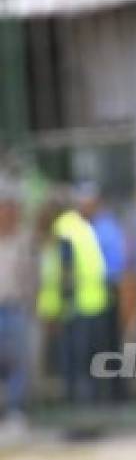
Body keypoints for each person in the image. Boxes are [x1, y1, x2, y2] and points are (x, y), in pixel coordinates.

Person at [36, 195, 107, 404]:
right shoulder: (79, 226)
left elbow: (67, 272)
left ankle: (78, 414)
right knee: (85, 362)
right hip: (90, 303)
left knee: (74, 364)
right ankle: (89, 409)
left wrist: (60, 310)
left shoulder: (63, 230)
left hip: (73, 307)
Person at [75, 181, 127, 401]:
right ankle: (100, 398)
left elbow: (115, 262)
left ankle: (115, 397)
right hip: (90, 298)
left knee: (108, 349)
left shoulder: (106, 227)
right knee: (94, 351)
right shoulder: (88, 227)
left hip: (107, 293)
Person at [0, 179, 34, 423]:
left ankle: (15, 413)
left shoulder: (23, 240)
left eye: (12, 207)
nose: (8, 212)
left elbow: (31, 275)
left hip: (14, 308)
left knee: (18, 363)